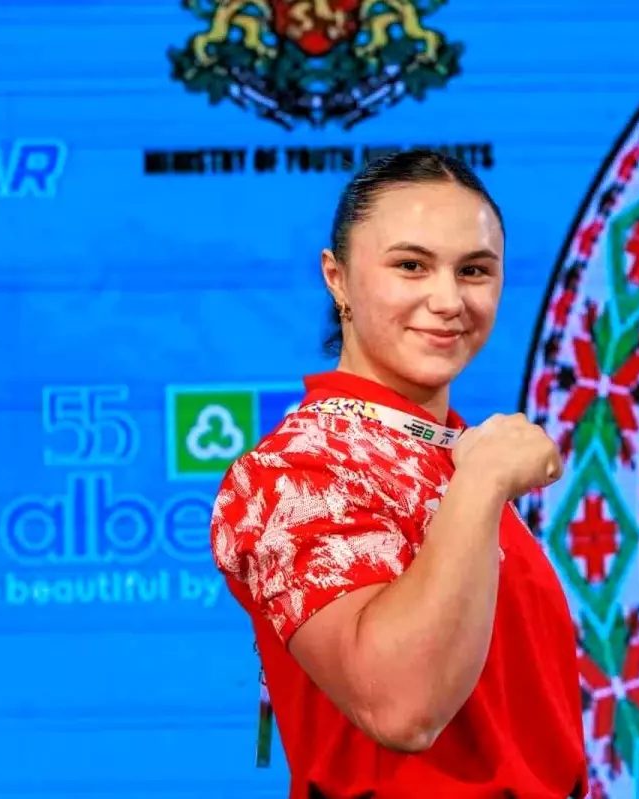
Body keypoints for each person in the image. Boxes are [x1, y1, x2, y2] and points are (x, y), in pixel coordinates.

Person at [209, 149, 588, 798]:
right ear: (337, 278)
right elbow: (402, 707)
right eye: (411, 265)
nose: (448, 300)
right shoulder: (289, 471)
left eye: (474, 270)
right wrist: (482, 480)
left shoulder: (455, 453)